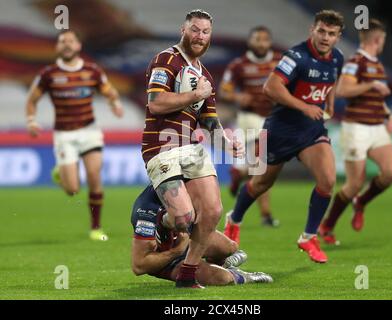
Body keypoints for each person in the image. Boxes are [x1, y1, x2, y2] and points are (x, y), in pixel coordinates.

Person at [224, 10, 345, 263]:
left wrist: (330, 104)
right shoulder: (296, 56)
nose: (325, 37)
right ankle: (234, 219)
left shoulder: (337, 58)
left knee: (328, 180)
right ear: (313, 29)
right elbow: (271, 87)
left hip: (311, 132)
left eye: (331, 34)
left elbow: (333, 80)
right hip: (281, 130)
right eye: (321, 31)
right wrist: (305, 106)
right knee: (260, 184)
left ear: (338, 36)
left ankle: (309, 236)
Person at [142, 9, 244, 288]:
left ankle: (187, 273)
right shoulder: (166, 59)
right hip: (161, 148)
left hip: (190, 148)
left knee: (212, 211)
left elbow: (209, 121)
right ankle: (164, 222)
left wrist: (226, 142)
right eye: (195, 30)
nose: (200, 36)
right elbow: (156, 104)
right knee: (183, 217)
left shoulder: (205, 75)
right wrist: (195, 95)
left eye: (205, 32)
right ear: (183, 30)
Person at [26, 29, 124, 241]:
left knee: (94, 176)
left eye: (71, 41)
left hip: (90, 131)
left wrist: (115, 104)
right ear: (58, 47)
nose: (67, 45)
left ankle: (96, 228)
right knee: (72, 190)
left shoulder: (92, 71)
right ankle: (60, 174)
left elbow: (109, 91)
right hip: (64, 135)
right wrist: (31, 121)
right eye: (63, 42)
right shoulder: (49, 74)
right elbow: (32, 99)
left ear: (79, 46)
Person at [319, 19, 392, 244]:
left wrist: (387, 113)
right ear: (377, 39)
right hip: (357, 128)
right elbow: (344, 89)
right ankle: (327, 226)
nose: (383, 42)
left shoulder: (377, 64)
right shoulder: (356, 62)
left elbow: (376, 97)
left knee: (391, 172)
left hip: (377, 127)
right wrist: (371, 85)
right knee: (354, 183)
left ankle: (361, 202)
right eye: (382, 39)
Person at [130, 185, 273, 286]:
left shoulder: (189, 187)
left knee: (230, 247)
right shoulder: (146, 211)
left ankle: (222, 264)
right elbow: (139, 266)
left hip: (186, 240)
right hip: (166, 259)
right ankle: (243, 277)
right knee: (222, 279)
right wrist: (176, 252)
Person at [219, 26, 282, 229]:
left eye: (265, 39)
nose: (261, 43)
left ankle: (240, 172)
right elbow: (224, 90)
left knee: (261, 168)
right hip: (251, 118)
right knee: (260, 166)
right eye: (257, 39)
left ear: (269, 42)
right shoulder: (239, 65)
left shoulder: (280, 62)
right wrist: (238, 96)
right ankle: (266, 215)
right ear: (250, 42)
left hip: (275, 118)